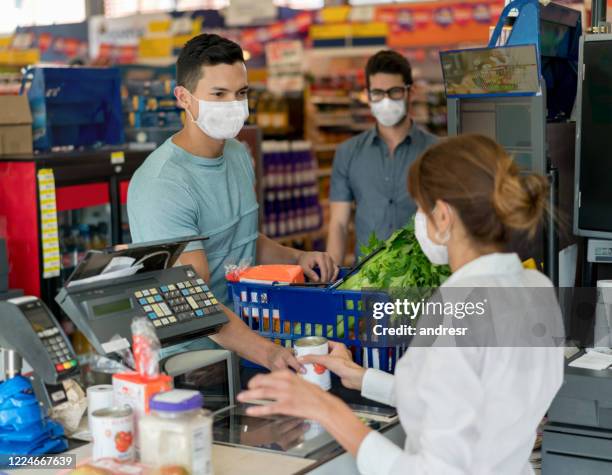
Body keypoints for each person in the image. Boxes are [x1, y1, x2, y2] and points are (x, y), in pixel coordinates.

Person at [238, 135, 565, 474]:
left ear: (442, 216)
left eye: (420, 209)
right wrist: (365, 379)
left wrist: (325, 410)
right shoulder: (535, 287)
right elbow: (468, 404)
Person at [128, 33, 337, 369]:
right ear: (183, 97)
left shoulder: (238, 154)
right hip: (190, 361)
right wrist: (267, 352)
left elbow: (243, 240)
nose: (232, 104)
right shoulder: (163, 184)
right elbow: (194, 301)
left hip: (246, 339)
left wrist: (299, 257)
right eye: (218, 94)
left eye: (240, 93)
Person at [327, 50, 438, 265]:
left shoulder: (436, 152)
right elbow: (339, 224)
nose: (385, 101)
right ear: (367, 95)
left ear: (410, 92)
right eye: (377, 93)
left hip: (423, 279)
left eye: (394, 91)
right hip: (367, 278)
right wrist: (330, 283)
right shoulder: (347, 153)